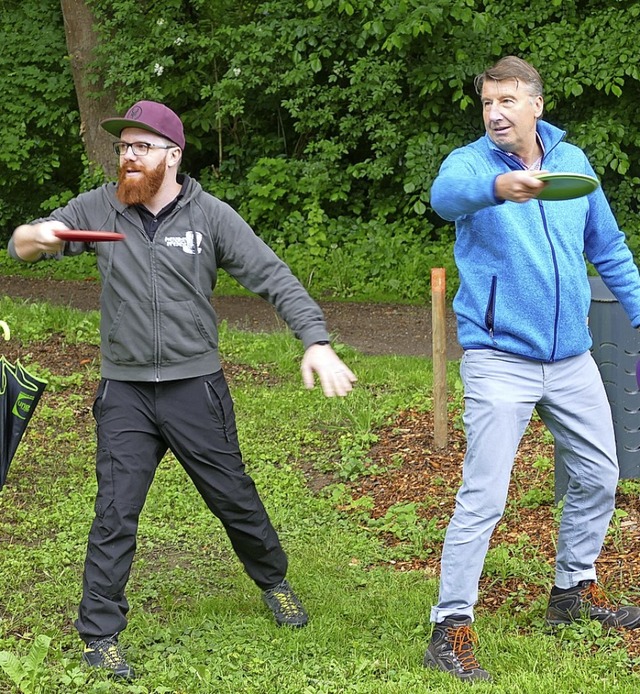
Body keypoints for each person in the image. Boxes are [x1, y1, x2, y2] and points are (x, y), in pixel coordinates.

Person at [9, 100, 357, 680]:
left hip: (195, 386)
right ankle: (100, 634)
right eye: (124, 147)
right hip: (124, 391)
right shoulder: (99, 207)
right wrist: (35, 234)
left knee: (234, 498)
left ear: (172, 155)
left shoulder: (211, 217)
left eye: (141, 146)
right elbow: (23, 246)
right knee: (114, 513)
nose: (128, 156)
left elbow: (274, 276)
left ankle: (273, 580)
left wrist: (315, 340)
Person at [425, 56, 640, 683]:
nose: (496, 113)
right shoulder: (470, 165)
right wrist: (498, 189)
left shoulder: (573, 165)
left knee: (601, 474)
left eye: (509, 100)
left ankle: (572, 592)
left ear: (536, 105)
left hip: (572, 357)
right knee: (484, 494)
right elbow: (443, 199)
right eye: (489, 102)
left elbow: (608, 248)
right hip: (499, 358)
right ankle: (450, 626)